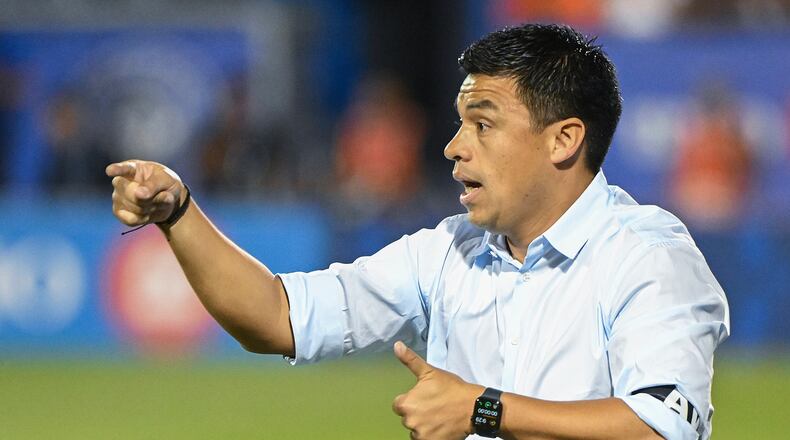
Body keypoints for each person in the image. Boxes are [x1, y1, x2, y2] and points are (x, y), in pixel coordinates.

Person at [106, 24, 729, 440]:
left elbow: (662, 427)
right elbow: (278, 316)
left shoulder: (647, 256)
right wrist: (178, 212)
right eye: (459, 123)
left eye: (482, 125)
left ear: (564, 139)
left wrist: (482, 408)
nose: (454, 148)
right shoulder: (447, 252)